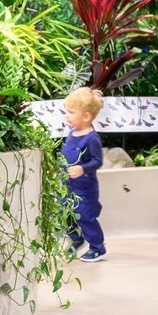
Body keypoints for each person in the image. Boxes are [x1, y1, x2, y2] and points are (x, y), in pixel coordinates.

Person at [62, 87, 106, 263]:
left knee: (85, 215)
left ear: (86, 116)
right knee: (64, 212)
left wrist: (82, 169)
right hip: (68, 185)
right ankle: (76, 238)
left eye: (71, 112)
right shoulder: (71, 133)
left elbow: (97, 161)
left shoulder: (91, 138)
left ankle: (98, 247)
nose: (67, 115)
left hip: (85, 187)